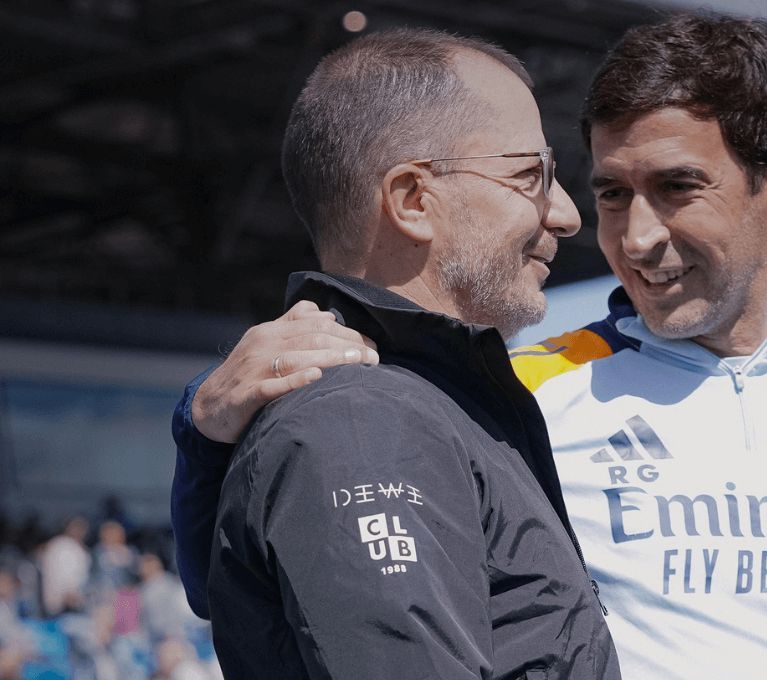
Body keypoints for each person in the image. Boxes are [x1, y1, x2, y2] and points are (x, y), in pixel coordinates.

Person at [172, 12, 767, 679]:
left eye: (677, 187)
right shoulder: (516, 397)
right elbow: (266, 560)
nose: (635, 237)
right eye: (611, 194)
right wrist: (203, 430)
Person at [172, 27, 619, 679]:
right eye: (531, 175)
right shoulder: (363, 421)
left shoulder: (430, 408)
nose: (566, 214)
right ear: (413, 201)